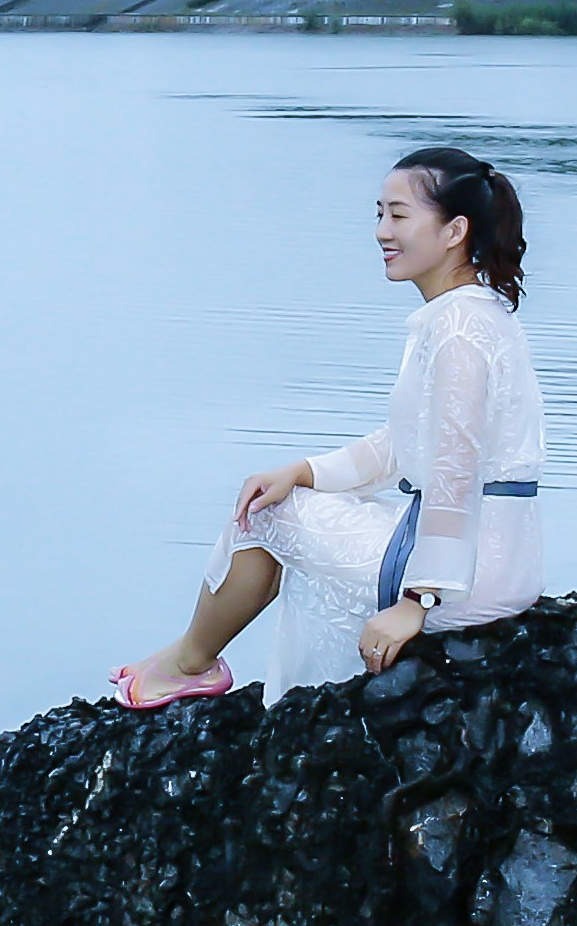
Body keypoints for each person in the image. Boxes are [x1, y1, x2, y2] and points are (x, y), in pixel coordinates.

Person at [117, 146, 544, 706]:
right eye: (379, 213)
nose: (381, 231)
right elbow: (404, 445)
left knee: (264, 516)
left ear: (453, 231)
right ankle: (189, 654)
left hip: (468, 576)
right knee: (281, 493)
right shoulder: (467, 314)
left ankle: (191, 663)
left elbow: (453, 475)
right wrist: (302, 471)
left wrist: (417, 602)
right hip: (496, 557)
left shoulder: (458, 331)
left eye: (398, 214)